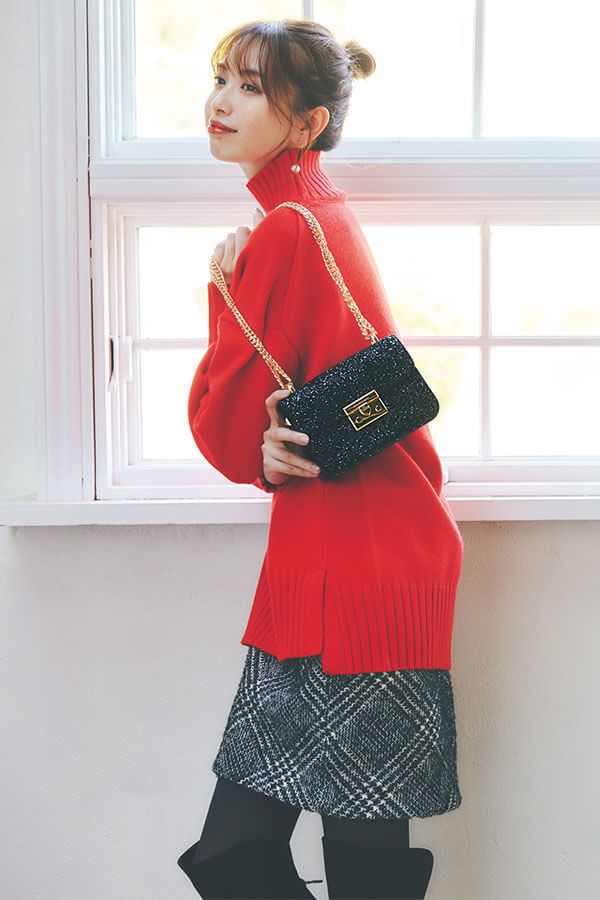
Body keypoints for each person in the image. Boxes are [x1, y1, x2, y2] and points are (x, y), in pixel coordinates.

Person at [178, 17, 464, 900]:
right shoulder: (320, 214)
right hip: (364, 561)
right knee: (345, 856)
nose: (222, 101)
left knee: (313, 858)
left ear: (307, 123)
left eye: (252, 88)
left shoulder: (288, 231)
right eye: (223, 78)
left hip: (352, 574)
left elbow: (225, 435)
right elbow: (272, 437)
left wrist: (222, 294)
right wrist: (272, 450)